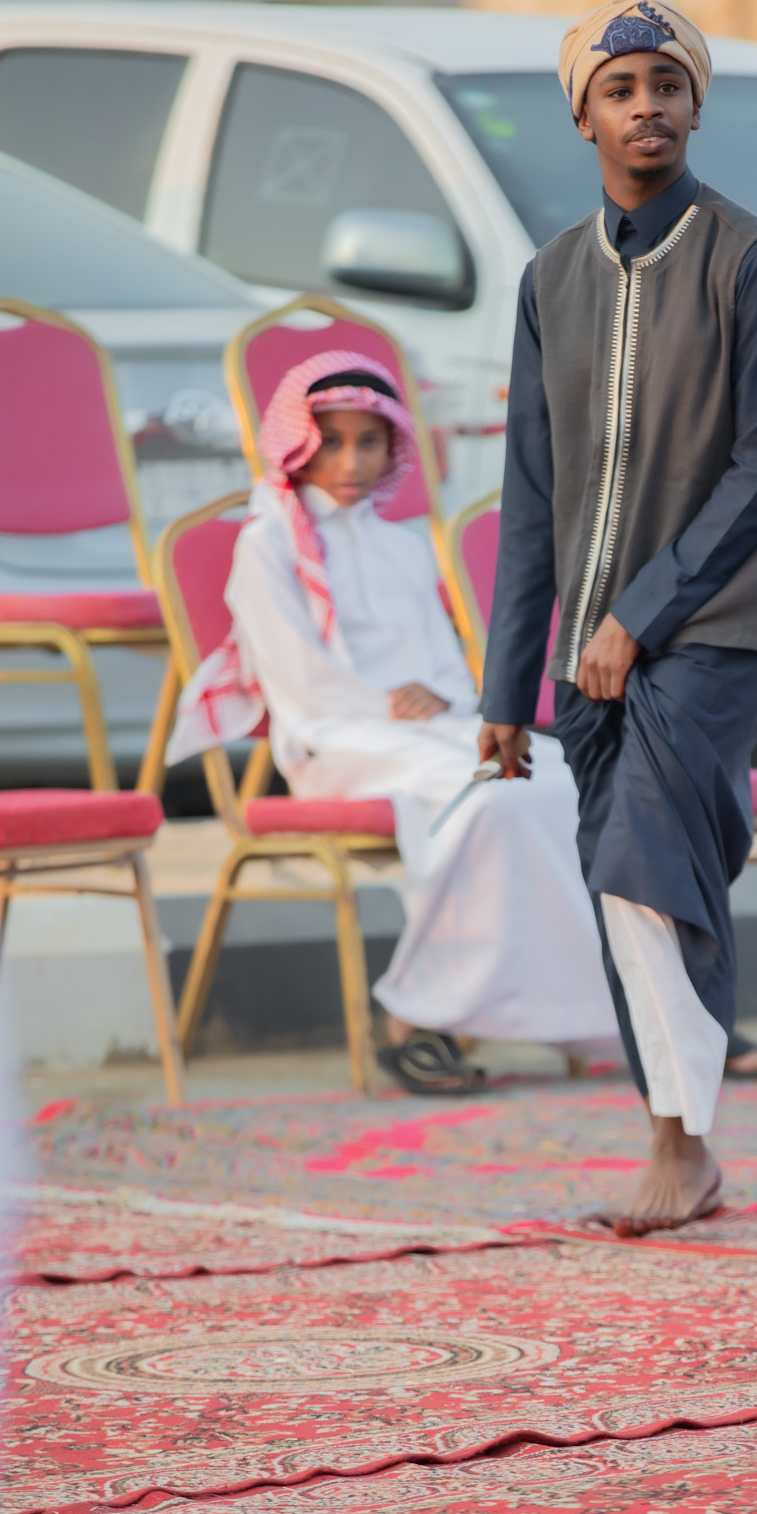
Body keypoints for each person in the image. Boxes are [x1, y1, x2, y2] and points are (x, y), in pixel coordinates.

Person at [479, 0, 757, 1235]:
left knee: (644, 857)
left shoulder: (754, 260)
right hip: (590, 650)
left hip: (717, 621)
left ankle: (681, 1141)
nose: (648, 107)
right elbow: (530, 491)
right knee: (628, 876)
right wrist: (506, 684)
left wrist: (642, 610)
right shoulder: (550, 278)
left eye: (667, 86)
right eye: (621, 90)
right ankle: (678, 1132)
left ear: (695, 104)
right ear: (585, 116)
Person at [168, 350, 618, 1093]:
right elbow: (297, 682)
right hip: (334, 740)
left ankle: (567, 1008)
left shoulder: (404, 547)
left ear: (393, 447)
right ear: (297, 442)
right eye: (331, 441)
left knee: (560, 779)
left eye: (369, 442)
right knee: (490, 793)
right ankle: (416, 1014)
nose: (350, 461)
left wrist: (434, 696)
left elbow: (448, 673)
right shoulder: (267, 543)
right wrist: (387, 704)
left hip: (426, 735)